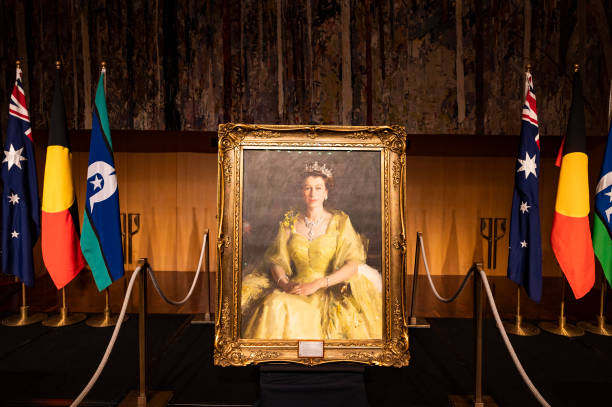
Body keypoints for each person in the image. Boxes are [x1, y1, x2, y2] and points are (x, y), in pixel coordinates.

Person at [241, 161, 382, 340]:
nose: (313, 193)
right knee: (273, 304)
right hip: (296, 288)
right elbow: (276, 259)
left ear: (326, 193)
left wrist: (318, 284)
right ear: (302, 192)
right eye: (307, 188)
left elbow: (353, 264)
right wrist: (285, 284)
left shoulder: (339, 222)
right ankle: (276, 357)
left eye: (318, 188)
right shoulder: (289, 222)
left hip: (327, 290)